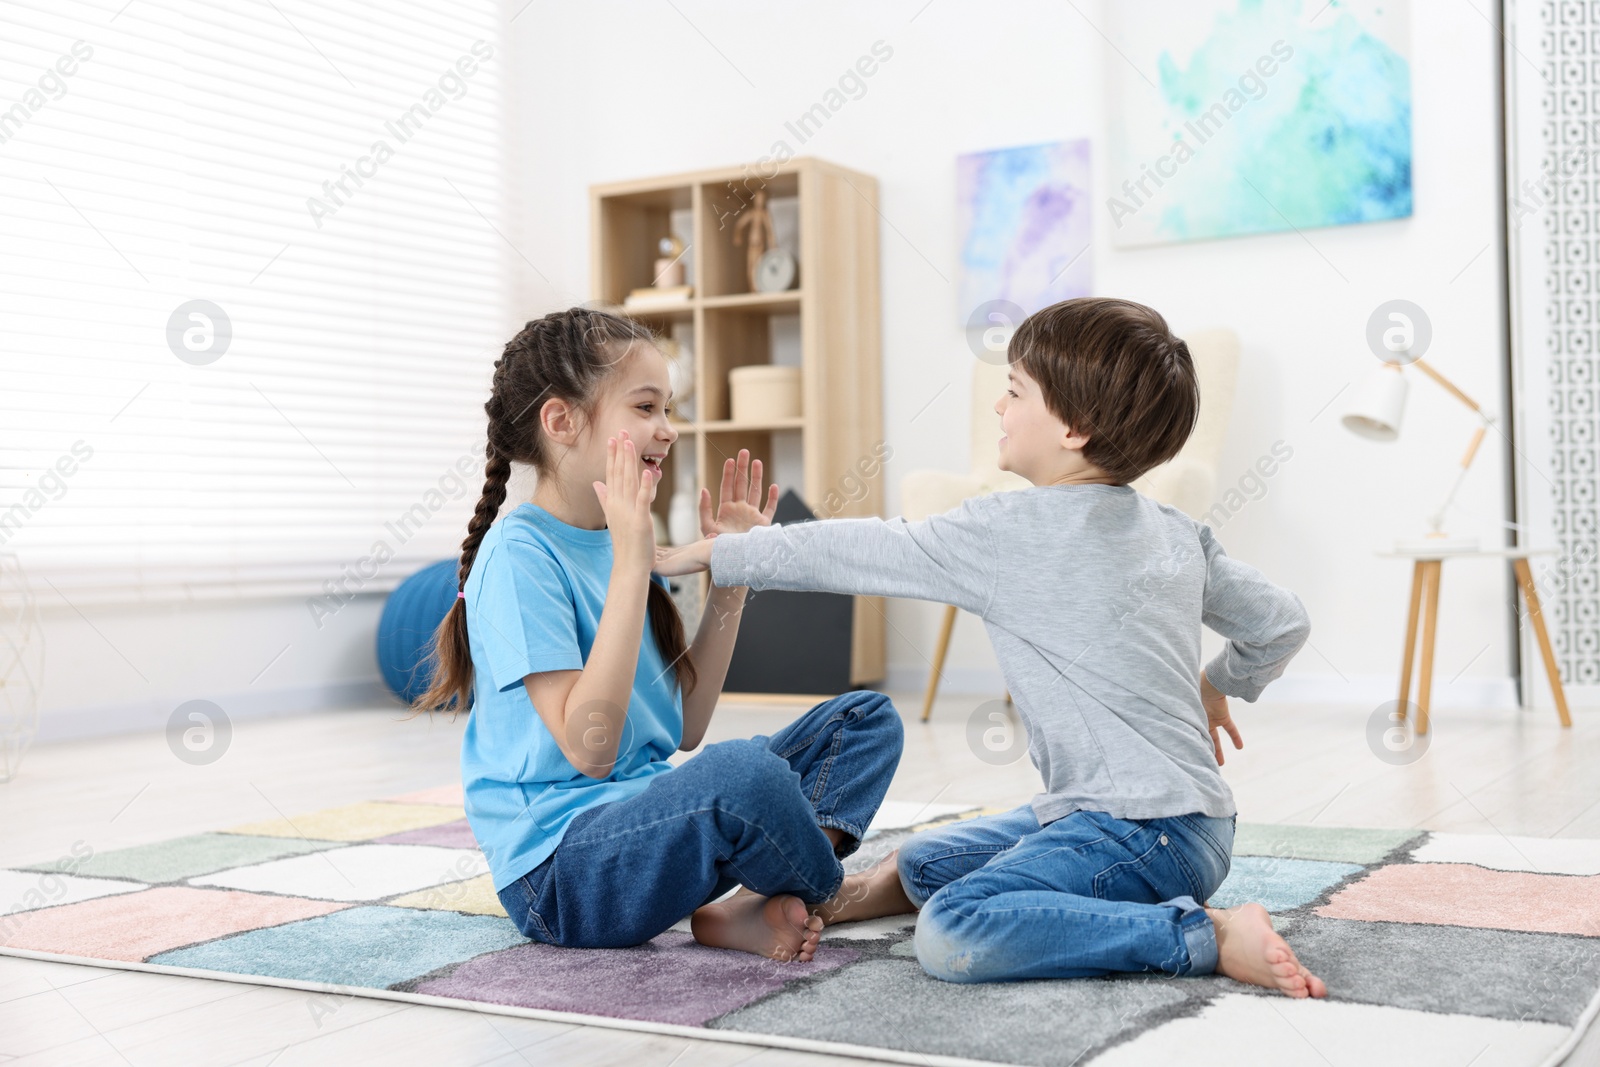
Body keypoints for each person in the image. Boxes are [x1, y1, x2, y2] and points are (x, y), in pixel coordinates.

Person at [657, 296, 1328, 997]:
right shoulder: (1179, 531)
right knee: (928, 856)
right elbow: (1283, 624)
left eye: (1014, 392)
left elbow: (856, 551)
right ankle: (840, 899)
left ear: (1076, 427)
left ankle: (1203, 937)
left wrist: (719, 552)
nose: (999, 410)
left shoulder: (1006, 530)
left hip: (1138, 836)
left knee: (954, 929)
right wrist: (1220, 680)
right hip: (1194, 827)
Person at [414, 307, 904, 962]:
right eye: (645, 407)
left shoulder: (620, 540)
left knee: (865, 720)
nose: (667, 430)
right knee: (744, 776)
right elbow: (592, 747)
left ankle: (753, 903)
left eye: (667, 408)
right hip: (561, 874)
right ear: (560, 421)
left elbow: (684, 727)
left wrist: (731, 581)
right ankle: (831, 889)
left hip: (648, 823)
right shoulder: (519, 556)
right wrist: (631, 564)